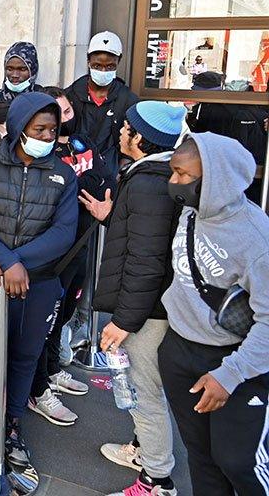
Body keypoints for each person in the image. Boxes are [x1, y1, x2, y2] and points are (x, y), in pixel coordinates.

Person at [0, 93, 78, 482]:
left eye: (52, 129)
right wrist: (3, 261)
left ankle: (11, 430)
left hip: (36, 283)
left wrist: (19, 262)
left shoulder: (63, 174)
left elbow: (63, 232)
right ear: (18, 126)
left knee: (24, 357)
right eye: (39, 128)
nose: (47, 135)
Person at [77, 102, 185, 496]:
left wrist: (124, 321)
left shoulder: (148, 184)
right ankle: (143, 449)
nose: (121, 132)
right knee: (146, 386)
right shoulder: (158, 175)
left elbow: (146, 262)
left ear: (140, 139)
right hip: (155, 307)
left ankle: (157, 480)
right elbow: (147, 238)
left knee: (143, 393)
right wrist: (112, 214)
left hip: (148, 312)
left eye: (127, 128)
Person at [157, 134, 269, 495]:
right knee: (200, 457)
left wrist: (230, 375)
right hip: (180, 350)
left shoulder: (256, 238)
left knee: (239, 463)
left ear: (215, 179)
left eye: (182, 175)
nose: (174, 182)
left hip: (233, 361)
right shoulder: (191, 213)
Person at [24, 87, 107, 427]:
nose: (63, 122)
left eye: (68, 113)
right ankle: (38, 388)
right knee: (44, 322)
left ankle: (54, 370)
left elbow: (101, 179)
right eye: (56, 117)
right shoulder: (38, 153)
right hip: (52, 255)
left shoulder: (82, 142)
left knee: (65, 316)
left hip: (82, 247)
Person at [66, 31, 139, 177]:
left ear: (119, 61)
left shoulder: (128, 100)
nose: (103, 71)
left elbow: (132, 141)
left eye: (110, 66)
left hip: (110, 175)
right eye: (97, 66)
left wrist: (123, 169)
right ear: (88, 61)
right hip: (73, 172)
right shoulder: (71, 95)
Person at [0, 41, 41, 116]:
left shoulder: (42, 99)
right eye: (10, 69)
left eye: (22, 69)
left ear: (33, 70)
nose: (15, 75)